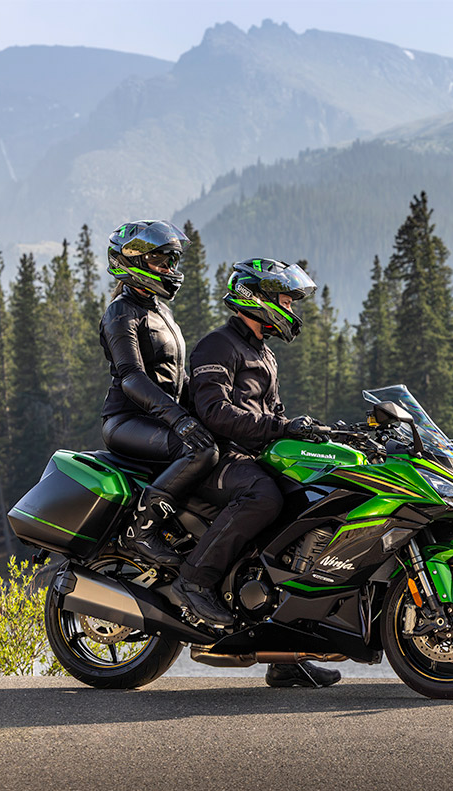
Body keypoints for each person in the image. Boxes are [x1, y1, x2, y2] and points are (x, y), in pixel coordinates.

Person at [168, 257, 341, 688]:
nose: (291, 307)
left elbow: (274, 413)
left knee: (306, 504)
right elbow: (213, 412)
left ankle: (285, 654)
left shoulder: (263, 353)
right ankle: (194, 580)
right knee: (264, 497)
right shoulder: (217, 345)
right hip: (215, 458)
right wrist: (281, 427)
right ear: (257, 297)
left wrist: (313, 434)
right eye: (285, 298)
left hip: (251, 456)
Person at [100, 220, 218, 568]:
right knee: (201, 451)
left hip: (162, 418)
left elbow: (177, 374)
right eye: (161, 261)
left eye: (172, 261)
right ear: (135, 263)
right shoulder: (120, 312)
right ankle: (142, 531)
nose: (169, 268)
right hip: (127, 421)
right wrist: (180, 420)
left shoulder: (159, 309)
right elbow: (132, 378)